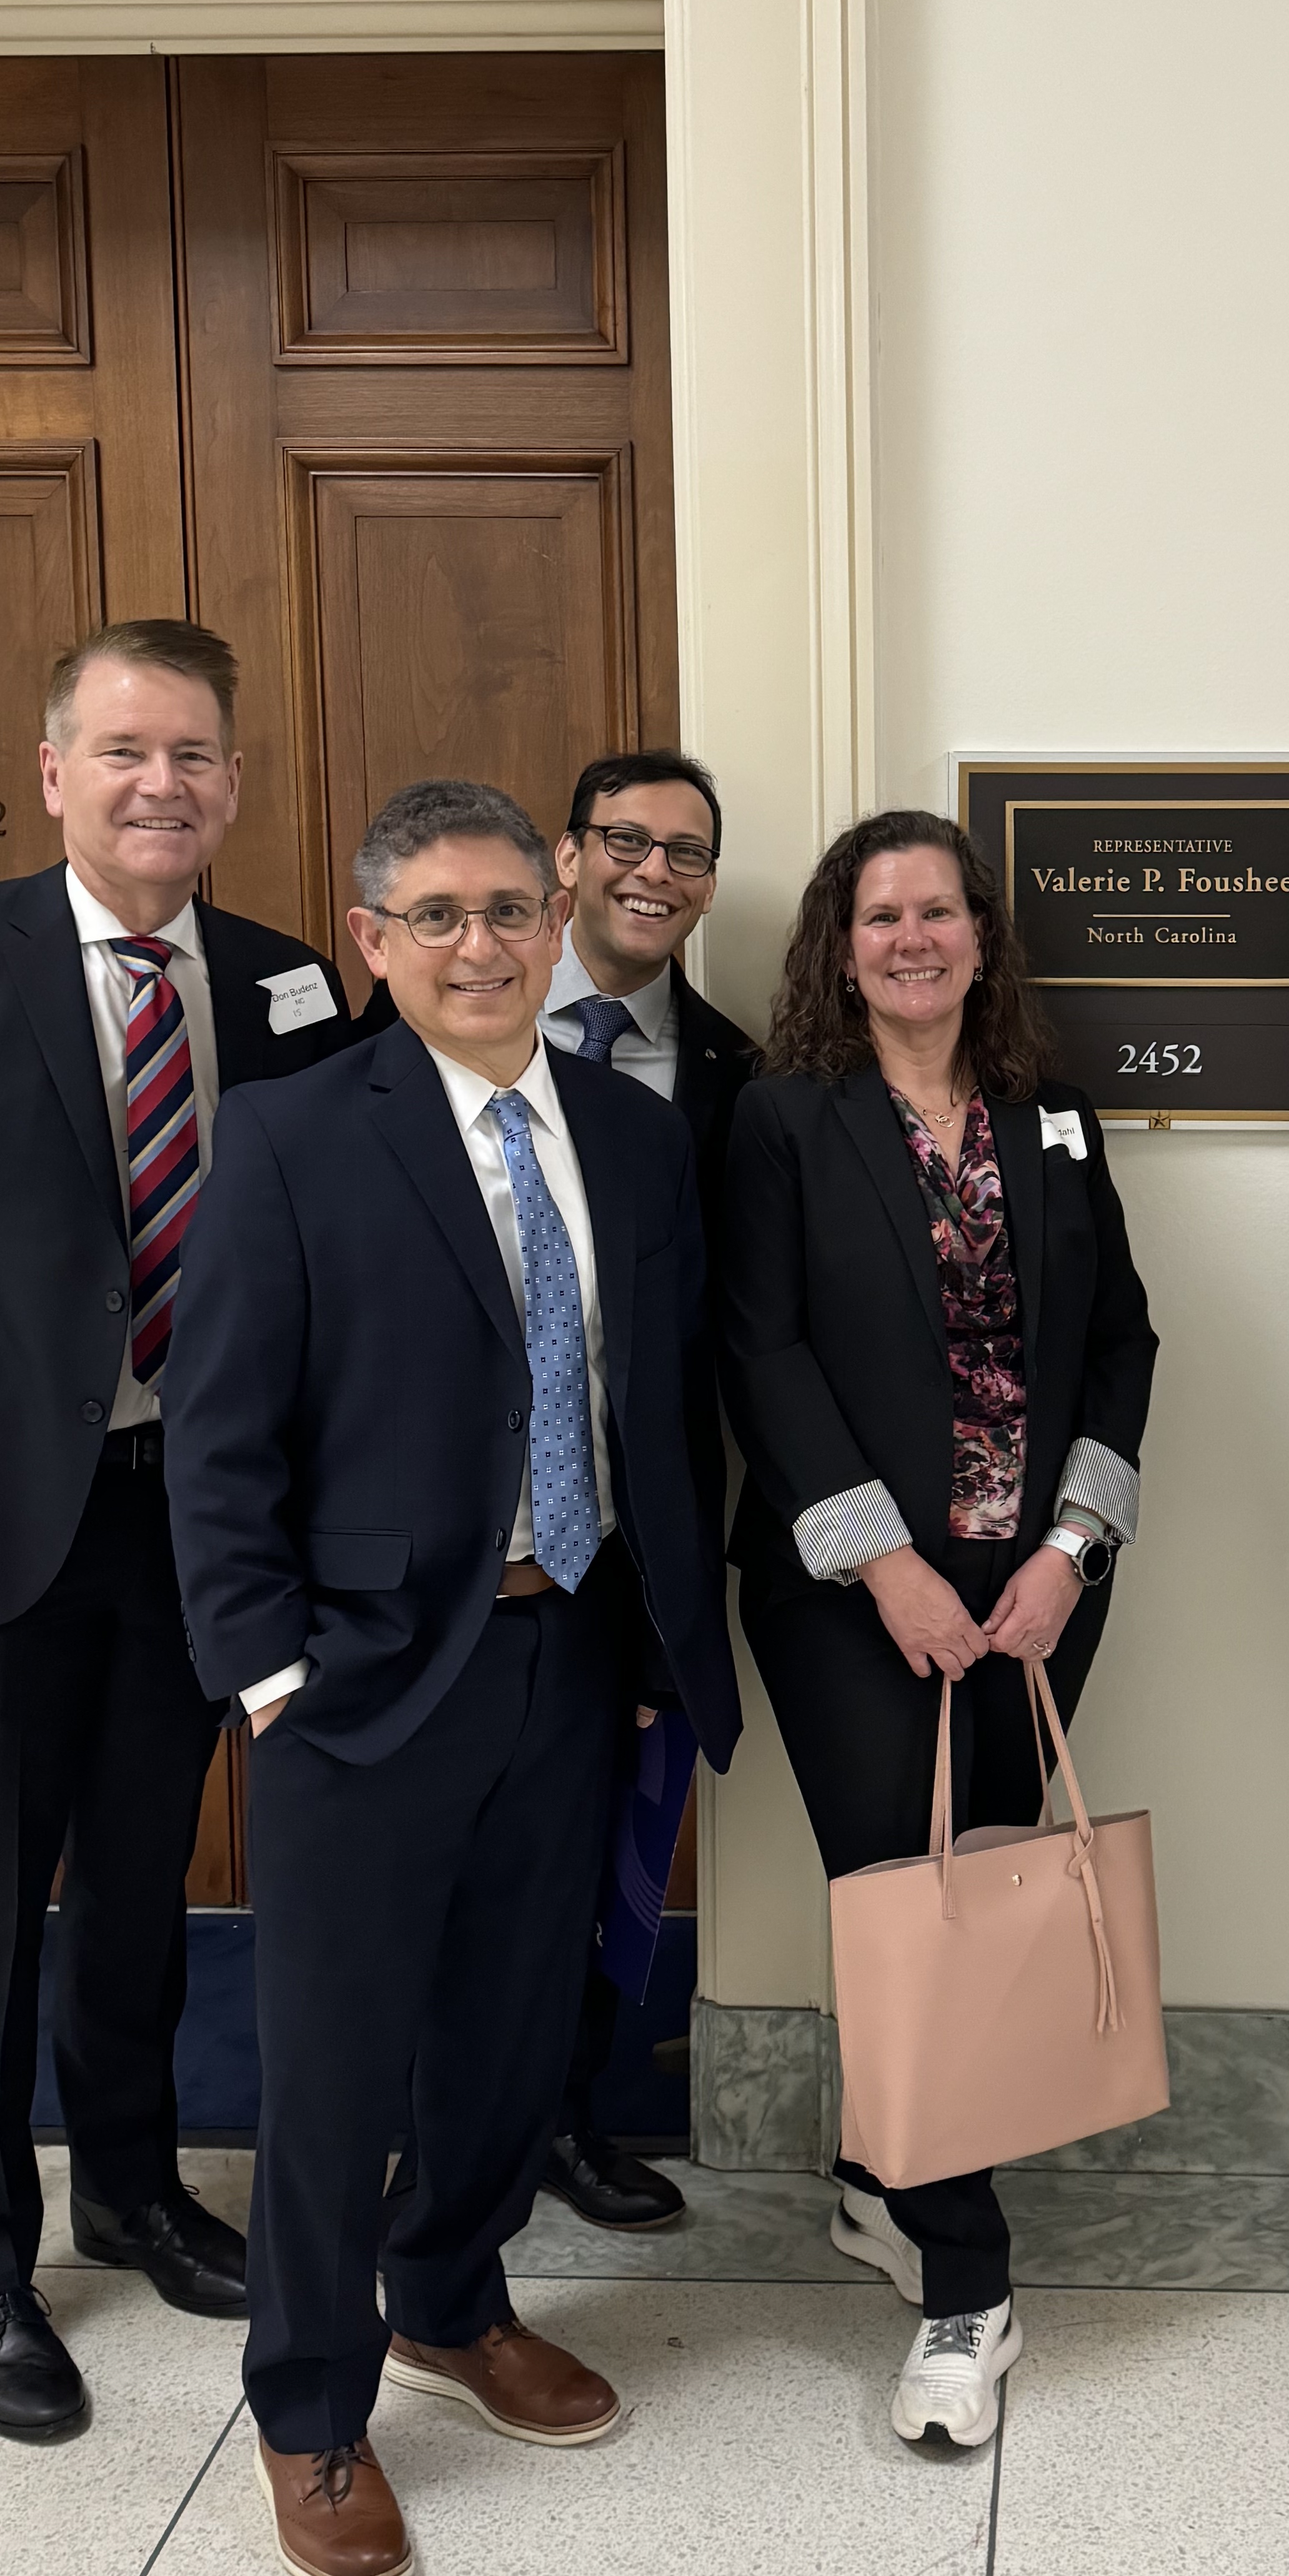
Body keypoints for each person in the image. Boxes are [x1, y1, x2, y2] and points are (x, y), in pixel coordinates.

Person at [163, 778, 739, 2576]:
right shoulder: (291, 1137)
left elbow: (661, 1412)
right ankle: (311, 2409)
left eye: (508, 910)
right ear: (373, 941)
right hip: (356, 1677)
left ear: (555, 921)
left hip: (567, 1651)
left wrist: (654, 1645)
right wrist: (264, 1674)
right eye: (437, 916)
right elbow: (219, 1431)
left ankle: (454, 2300)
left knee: (507, 2025)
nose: (480, 946)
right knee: (336, 2068)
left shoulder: (636, 1145)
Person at [0, 624, 349, 2442]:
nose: (158, 783)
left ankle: (131, 2187)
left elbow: (317, 1270)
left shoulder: (286, 988)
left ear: (234, 780)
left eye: (191, 753)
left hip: (187, 1521)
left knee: (141, 1880)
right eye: (121, 752)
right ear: (53, 773)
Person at [719, 810, 1156, 2452]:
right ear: (842, 945)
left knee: (976, 1885)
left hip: (1036, 1591)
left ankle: (879, 2178)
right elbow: (757, 1351)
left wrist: (1071, 1544)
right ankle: (970, 2294)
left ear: (981, 935)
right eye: (879, 914)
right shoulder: (781, 1122)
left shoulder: (1051, 1115)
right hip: (852, 1599)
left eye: (938, 911)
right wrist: (882, 1564)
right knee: (916, 1913)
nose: (911, 937)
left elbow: (1123, 1336)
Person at [532, 749, 760, 2234]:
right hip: (463, 1526)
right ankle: (452, 2114)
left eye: (688, 854)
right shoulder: (439, 1011)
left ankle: (568, 2111)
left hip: (646, 1530)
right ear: (568, 856)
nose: (654, 874)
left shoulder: (740, 1077)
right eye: (626, 841)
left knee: (617, 1822)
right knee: (472, 1831)